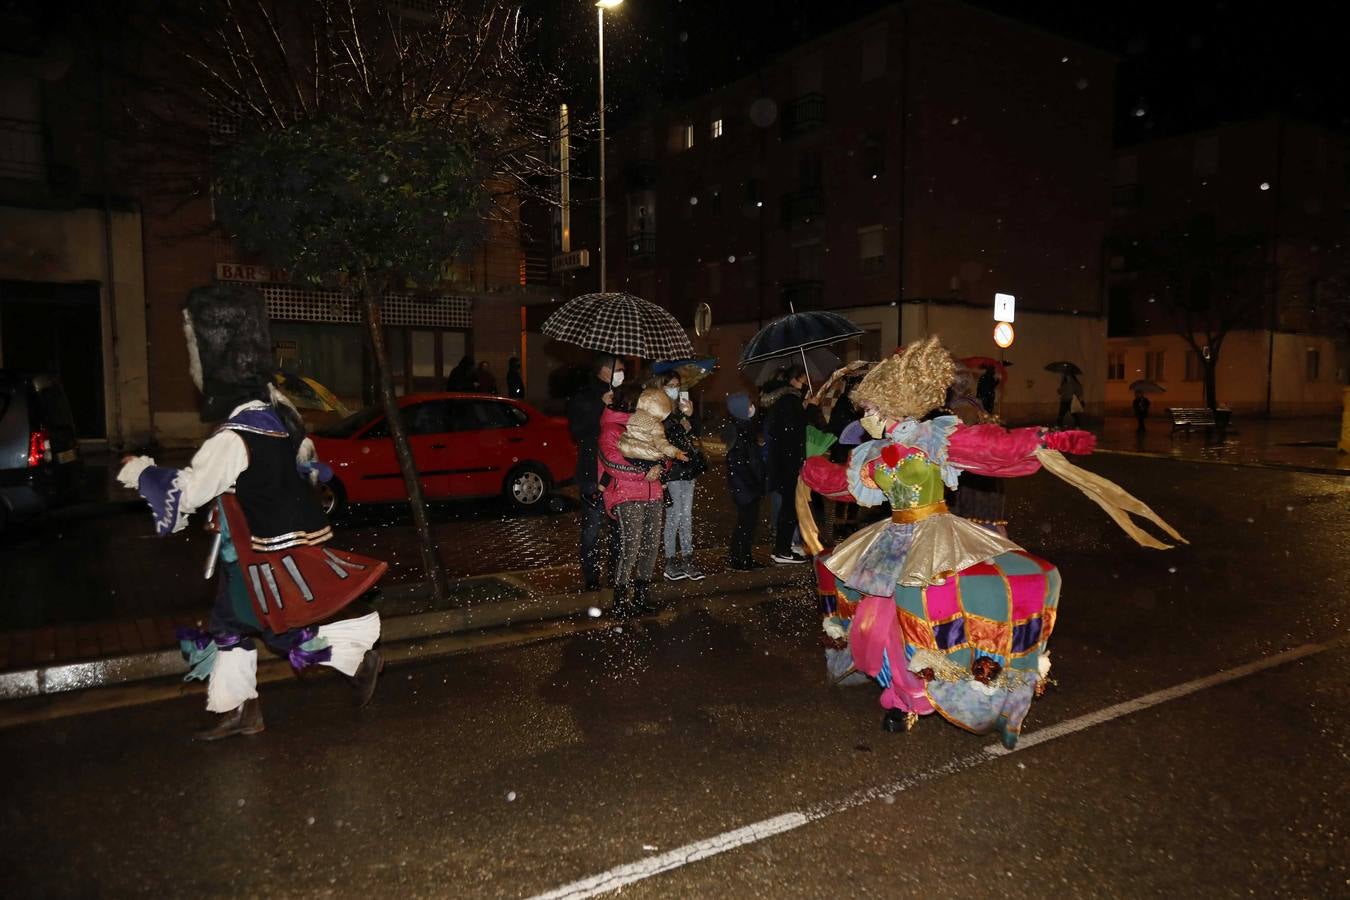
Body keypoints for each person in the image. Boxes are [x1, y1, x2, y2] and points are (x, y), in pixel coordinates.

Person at [798, 337, 1184, 746]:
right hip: (892, 535)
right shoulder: (872, 454)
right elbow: (843, 486)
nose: (867, 417)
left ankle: (926, 691)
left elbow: (992, 449)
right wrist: (812, 467)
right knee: (865, 597)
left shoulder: (934, 438)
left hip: (933, 532)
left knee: (920, 601)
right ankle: (897, 688)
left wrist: (1044, 440)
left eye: (872, 409)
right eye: (867, 410)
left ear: (895, 408)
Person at [117, 285, 386, 741]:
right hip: (259, 551)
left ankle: (355, 660)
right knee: (232, 627)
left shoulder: (234, 436)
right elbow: (305, 470)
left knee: (271, 631)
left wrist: (140, 471)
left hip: (255, 560)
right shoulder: (280, 418)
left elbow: (187, 492)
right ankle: (243, 710)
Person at [598, 382, 668, 617]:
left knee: (650, 547)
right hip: (626, 495)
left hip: (653, 493)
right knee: (631, 546)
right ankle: (620, 599)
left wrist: (661, 466)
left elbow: (664, 454)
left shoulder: (648, 427)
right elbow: (613, 462)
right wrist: (644, 472)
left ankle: (641, 596)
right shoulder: (612, 429)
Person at [567, 353, 624, 592]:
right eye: (619, 369)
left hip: (620, 473)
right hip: (593, 473)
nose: (623, 374)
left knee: (619, 527)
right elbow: (578, 431)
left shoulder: (622, 396)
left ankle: (615, 572)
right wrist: (601, 407)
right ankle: (591, 575)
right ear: (604, 370)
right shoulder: (584, 397)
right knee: (592, 527)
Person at [656, 373, 707, 581]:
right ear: (662, 387)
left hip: (688, 469)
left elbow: (695, 434)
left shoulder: (680, 411)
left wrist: (692, 415)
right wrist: (680, 420)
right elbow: (666, 440)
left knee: (686, 517)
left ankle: (687, 558)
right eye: (670, 385)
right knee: (674, 516)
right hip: (672, 470)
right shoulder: (659, 411)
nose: (675, 389)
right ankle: (670, 561)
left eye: (677, 386)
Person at [764, 364, 811, 564]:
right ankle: (782, 549)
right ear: (793, 380)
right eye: (802, 380)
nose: (805, 384)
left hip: (783, 461)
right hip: (788, 462)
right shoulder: (790, 401)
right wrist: (811, 408)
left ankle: (784, 547)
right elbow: (795, 431)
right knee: (790, 506)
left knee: (789, 505)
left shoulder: (784, 400)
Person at [722, 392, 766, 570]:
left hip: (746, 485)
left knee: (747, 523)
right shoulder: (741, 430)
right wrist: (756, 481)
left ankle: (742, 556)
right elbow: (742, 462)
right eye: (748, 404)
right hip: (745, 486)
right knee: (746, 523)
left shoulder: (744, 427)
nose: (751, 407)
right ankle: (740, 558)